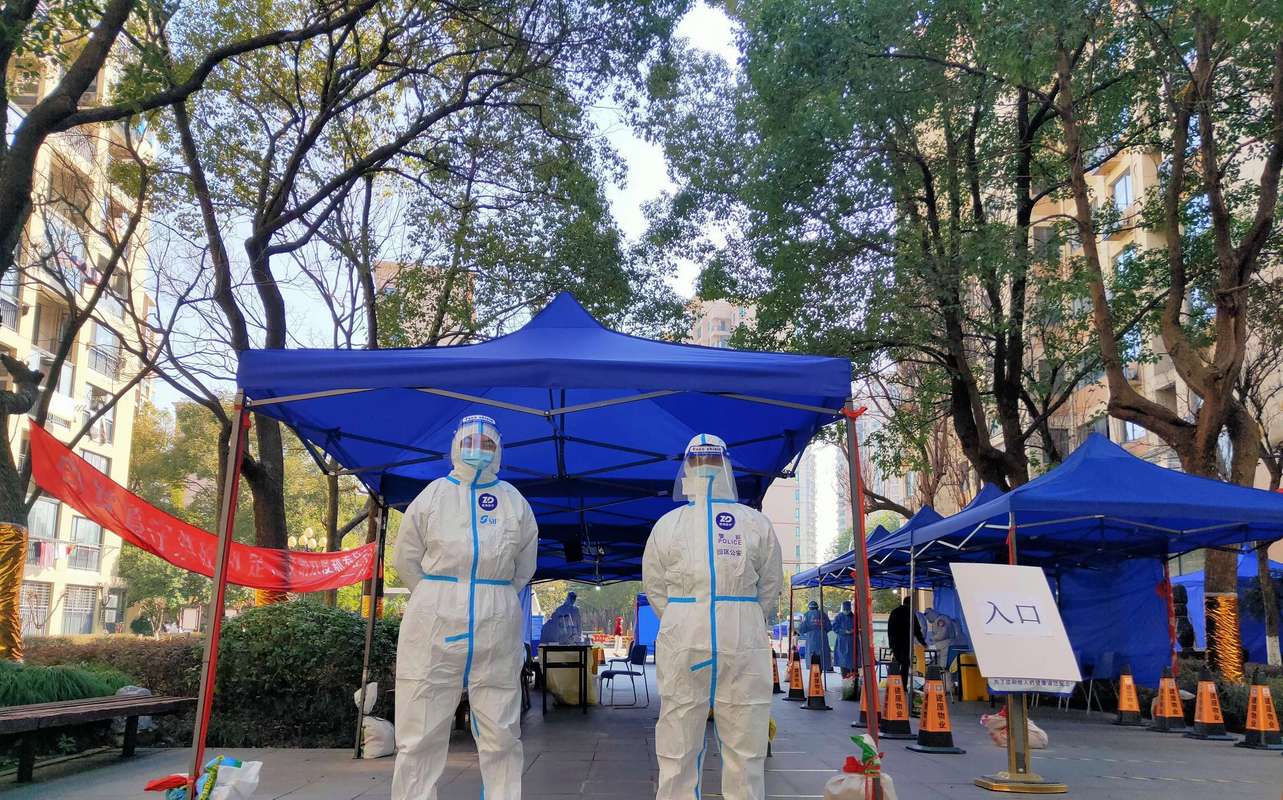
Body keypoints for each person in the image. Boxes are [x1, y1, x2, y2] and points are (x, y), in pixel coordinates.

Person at [391, 415, 539, 800]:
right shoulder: (433, 496)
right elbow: (406, 558)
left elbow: (524, 566)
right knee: (420, 730)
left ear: (499, 450)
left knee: (502, 732)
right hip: (434, 623)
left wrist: (494, 597)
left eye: (487, 444)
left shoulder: (514, 502)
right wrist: (436, 597)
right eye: (470, 442)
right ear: (456, 446)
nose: (478, 451)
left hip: (496, 623)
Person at [643, 433, 783, 800]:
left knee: (727, 744)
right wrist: (722, 614)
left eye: (710, 461)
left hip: (715, 639)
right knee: (696, 742)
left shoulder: (749, 524)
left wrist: (695, 616)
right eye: (699, 461)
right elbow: (656, 586)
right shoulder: (674, 526)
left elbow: (768, 585)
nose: (704, 469)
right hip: (711, 638)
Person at [887, 596, 926, 688]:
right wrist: (922, 642)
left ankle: (893, 686)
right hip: (906, 643)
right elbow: (917, 630)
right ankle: (903, 686)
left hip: (895, 643)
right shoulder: (910, 613)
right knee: (905, 664)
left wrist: (891, 644)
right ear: (911, 604)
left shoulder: (894, 612)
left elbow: (890, 629)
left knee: (896, 664)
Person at [798, 600, 833, 672]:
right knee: (822, 657)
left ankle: (814, 675)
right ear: (817, 607)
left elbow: (801, 628)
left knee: (812, 657)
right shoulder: (823, 614)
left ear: (809, 607)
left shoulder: (806, 615)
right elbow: (829, 627)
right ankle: (819, 673)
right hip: (822, 638)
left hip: (811, 639)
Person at [833, 600, 856, 675]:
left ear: (850, 609)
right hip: (842, 641)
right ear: (842, 609)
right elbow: (835, 628)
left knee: (853, 660)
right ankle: (844, 675)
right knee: (843, 659)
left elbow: (858, 627)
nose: (846, 611)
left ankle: (853, 676)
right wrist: (844, 631)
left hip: (852, 641)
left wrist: (853, 630)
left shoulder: (854, 617)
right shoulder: (838, 617)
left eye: (847, 610)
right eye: (845, 610)